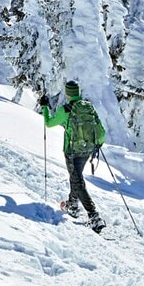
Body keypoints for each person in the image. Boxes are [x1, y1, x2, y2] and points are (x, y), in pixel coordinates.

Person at [41, 80, 106, 232]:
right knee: (75, 177)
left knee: (77, 180)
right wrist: (97, 143)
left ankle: (94, 216)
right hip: (87, 149)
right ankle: (72, 205)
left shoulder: (66, 109)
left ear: (68, 93)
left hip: (71, 151)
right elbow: (101, 132)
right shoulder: (89, 107)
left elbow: (49, 123)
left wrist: (44, 107)